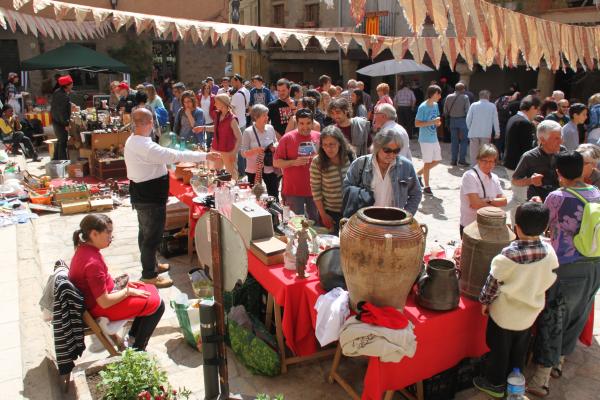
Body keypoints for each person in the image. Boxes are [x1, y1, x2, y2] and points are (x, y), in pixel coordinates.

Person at [529, 151, 600, 397]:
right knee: (577, 315)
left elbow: (542, 224)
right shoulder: (597, 194)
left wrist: (537, 206)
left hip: (567, 267)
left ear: (559, 174)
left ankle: (541, 378)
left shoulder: (558, 197)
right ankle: (559, 360)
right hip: (594, 265)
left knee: (554, 318)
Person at [124, 108, 220, 288]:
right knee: (151, 236)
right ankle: (149, 275)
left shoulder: (134, 140)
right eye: (152, 121)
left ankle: (151, 264)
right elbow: (176, 156)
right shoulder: (146, 146)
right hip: (149, 196)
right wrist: (205, 155)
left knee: (146, 233)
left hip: (144, 194)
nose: (154, 125)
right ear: (147, 123)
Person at [473, 202, 558, 398]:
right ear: (545, 228)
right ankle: (515, 377)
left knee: (499, 350)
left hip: (504, 315)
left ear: (516, 227)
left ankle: (494, 384)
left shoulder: (508, 255)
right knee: (519, 349)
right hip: (528, 315)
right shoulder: (549, 252)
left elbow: (492, 283)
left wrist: (484, 302)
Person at [68, 214, 165, 351]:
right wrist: (126, 292)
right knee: (157, 304)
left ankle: (132, 338)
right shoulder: (92, 262)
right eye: (108, 232)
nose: (111, 237)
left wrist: (122, 288)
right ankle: (138, 349)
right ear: (94, 234)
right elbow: (104, 301)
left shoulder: (84, 249)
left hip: (97, 301)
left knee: (147, 289)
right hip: (100, 308)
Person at [343, 129, 422, 216]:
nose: (392, 155)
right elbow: (346, 187)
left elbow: (416, 193)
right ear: (377, 147)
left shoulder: (406, 166)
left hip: (393, 222)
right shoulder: (360, 164)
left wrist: (406, 215)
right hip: (366, 221)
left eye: (396, 151)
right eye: (387, 150)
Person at [273, 108, 321, 222]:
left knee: (316, 224)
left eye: (308, 123)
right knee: (295, 225)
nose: (305, 127)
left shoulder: (319, 136)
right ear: (297, 123)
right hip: (293, 191)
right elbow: (276, 162)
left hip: (315, 191)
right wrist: (294, 162)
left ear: (313, 122)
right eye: (302, 123)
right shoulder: (287, 138)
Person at [310, 126, 355, 233]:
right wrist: (323, 215)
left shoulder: (350, 156)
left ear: (340, 143)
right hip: (330, 213)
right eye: (325, 145)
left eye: (332, 144)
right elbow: (316, 191)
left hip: (351, 211)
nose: (328, 149)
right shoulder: (318, 162)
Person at [512, 120, 565, 202]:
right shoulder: (529, 157)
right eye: (556, 138)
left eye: (560, 137)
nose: (561, 141)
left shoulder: (563, 151)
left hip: (558, 199)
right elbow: (515, 181)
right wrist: (530, 181)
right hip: (537, 202)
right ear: (542, 140)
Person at [459, 144, 507, 236]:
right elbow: (475, 203)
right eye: (485, 161)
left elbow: (504, 201)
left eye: (492, 161)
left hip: (490, 227)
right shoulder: (469, 176)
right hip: (471, 226)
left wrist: (487, 200)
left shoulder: (495, 178)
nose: (489, 165)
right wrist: (494, 205)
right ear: (478, 160)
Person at [241, 104, 279, 198]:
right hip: (254, 169)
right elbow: (243, 153)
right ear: (256, 117)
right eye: (264, 115)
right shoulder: (248, 132)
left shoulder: (270, 128)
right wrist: (255, 151)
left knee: (274, 194)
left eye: (267, 115)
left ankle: (274, 212)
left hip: (269, 167)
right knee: (255, 196)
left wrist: (274, 146)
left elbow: (275, 142)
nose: (267, 117)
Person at [415, 85, 443, 196]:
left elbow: (436, 120)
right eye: (438, 93)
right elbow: (417, 124)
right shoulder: (422, 107)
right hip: (425, 139)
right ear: (432, 94)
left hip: (433, 137)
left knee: (437, 160)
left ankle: (418, 174)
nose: (440, 96)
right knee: (427, 162)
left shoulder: (435, 105)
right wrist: (432, 122)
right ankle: (427, 186)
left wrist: (437, 123)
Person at [503, 96, 540, 170]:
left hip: (510, 162)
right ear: (532, 108)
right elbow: (527, 148)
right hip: (518, 165)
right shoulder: (524, 123)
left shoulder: (513, 118)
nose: (538, 113)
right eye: (538, 109)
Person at [211, 94, 243, 180]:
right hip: (216, 150)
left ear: (222, 103)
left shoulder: (232, 119)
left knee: (232, 176)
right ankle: (217, 192)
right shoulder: (218, 115)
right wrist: (203, 128)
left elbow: (240, 138)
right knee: (216, 174)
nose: (214, 105)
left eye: (216, 102)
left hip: (228, 152)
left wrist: (234, 153)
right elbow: (215, 128)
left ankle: (234, 192)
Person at [466, 90, 500, 166]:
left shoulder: (473, 105)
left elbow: (468, 119)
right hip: (486, 133)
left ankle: (473, 167)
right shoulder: (492, 106)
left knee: (473, 152)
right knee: (484, 152)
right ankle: (481, 167)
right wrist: (497, 132)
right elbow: (495, 120)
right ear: (488, 96)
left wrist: (469, 128)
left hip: (473, 132)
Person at [444, 82, 471, 166]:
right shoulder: (465, 97)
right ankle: (462, 160)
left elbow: (445, 111)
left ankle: (453, 160)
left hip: (452, 120)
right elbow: (468, 111)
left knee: (454, 141)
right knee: (464, 141)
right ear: (463, 89)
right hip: (462, 120)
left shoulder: (449, 97)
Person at [50, 75, 74, 161]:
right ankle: (63, 161)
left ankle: (55, 159)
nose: (72, 85)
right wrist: (66, 123)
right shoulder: (63, 96)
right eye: (71, 84)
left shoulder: (57, 92)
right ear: (67, 85)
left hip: (56, 120)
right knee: (63, 142)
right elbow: (62, 112)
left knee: (60, 140)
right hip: (60, 122)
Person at [198, 81, 216, 148]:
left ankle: (208, 149)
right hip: (201, 119)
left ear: (210, 89)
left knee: (209, 137)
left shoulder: (213, 97)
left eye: (208, 88)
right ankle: (202, 148)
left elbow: (215, 107)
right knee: (200, 136)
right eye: (205, 88)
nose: (206, 90)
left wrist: (214, 114)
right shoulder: (199, 96)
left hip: (210, 119)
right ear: (203, 89)